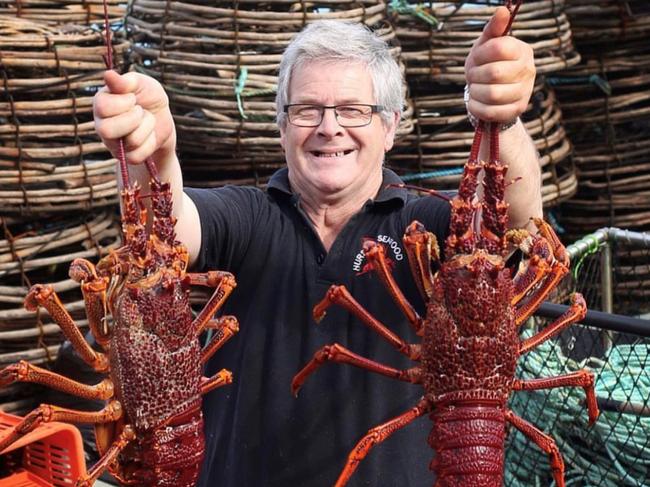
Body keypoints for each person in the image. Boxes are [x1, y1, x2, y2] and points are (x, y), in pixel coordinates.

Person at [93, 8, 540, 487]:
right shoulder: (249, 217)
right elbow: (168, 230)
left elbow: (514, 222)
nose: (329, 127)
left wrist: (503, 119)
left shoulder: (424, 231)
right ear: (282, 126)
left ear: (390, 126)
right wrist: (156, 154)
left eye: (353, 110)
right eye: (307, 110)